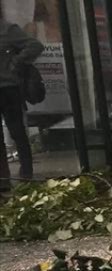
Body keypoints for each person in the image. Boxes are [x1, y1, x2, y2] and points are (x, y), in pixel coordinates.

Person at [0, 18, 43, 187]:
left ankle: (26, 173)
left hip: (8, 88)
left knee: (17, 131)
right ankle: (3, 178)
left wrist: (16, 63)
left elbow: (35, 45)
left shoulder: (7, 29)